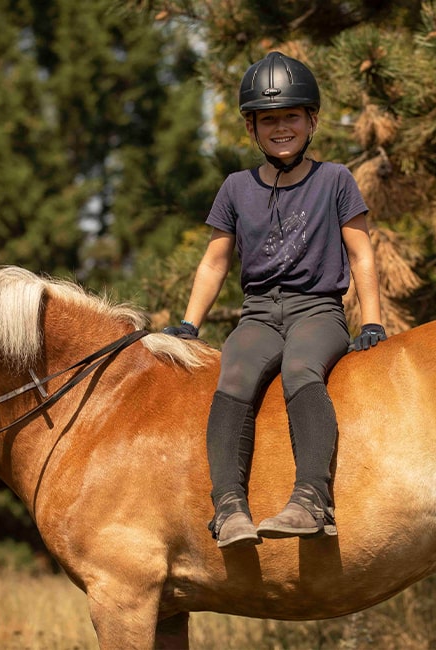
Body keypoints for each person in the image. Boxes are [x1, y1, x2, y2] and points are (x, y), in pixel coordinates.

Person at [164, 51, 387, 549]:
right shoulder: (235, 188)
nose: (280, 127)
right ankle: (229, 509)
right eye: (269, 120)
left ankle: (311, 500)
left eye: (291, 116)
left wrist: (370, 321)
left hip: (318, 310)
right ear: (252, 128)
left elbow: (362, 255)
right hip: (260, 313)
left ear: (312, 120)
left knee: (302, 368)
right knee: (235, 373)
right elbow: (215, 262)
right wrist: (187, 324)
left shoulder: (335, 180)